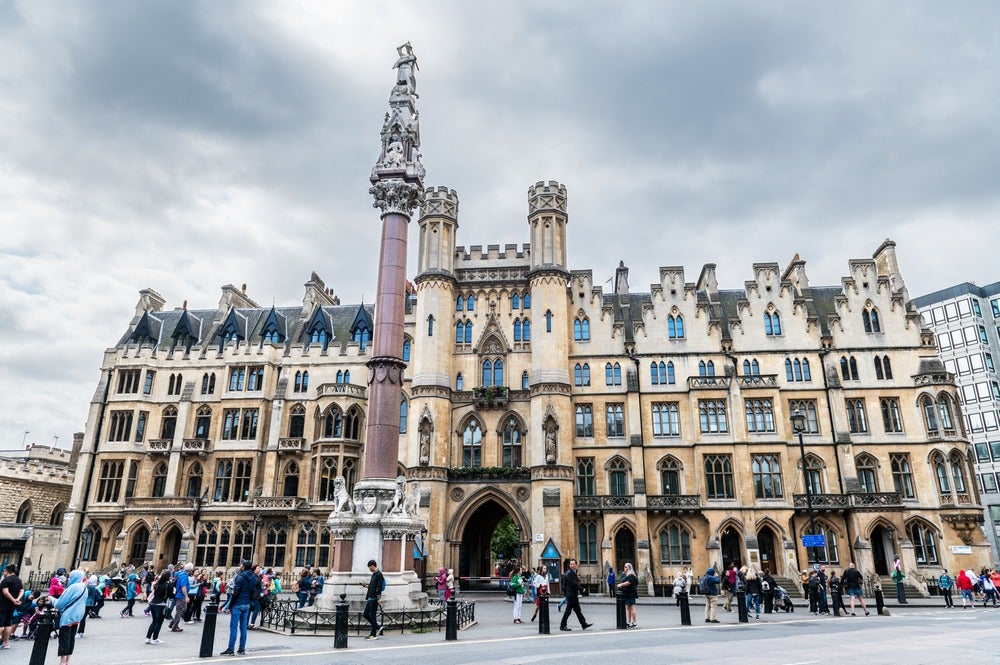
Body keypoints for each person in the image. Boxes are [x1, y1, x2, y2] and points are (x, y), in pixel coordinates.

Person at [221, 560, 261, 656]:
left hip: (238, 604)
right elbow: (253, 590)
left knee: (233, 627)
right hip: (246, 604)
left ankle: (231, 649)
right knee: (243, 627)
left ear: (243, 566)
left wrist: (230, 606)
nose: (240, 565)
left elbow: (235, 593)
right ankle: (241, 648)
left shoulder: (240, 577)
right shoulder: (254, 578)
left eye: (241, 564)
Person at [53, 570, 89, 665]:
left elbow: (59, 604)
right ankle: (68, 661)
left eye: (70, 576)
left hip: (68, 616)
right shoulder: (84, 587)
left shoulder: (72, 587)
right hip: (77, 617)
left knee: (64, 639)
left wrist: (51, 599)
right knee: (71, 638)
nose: (68, 578)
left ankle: (63, 662)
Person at [559, 559, 592, 631]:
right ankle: (562, 625)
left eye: (573, 564)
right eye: (571, 564)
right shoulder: (569, 573)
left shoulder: (573, 572)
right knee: (568, 611)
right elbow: (573, 584)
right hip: (571, 595)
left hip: (573, 595)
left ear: (576, 565)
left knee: (577, 610)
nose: (572, 565)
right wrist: (581, 588)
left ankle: (583, 624)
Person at [0, 564, 24, 649]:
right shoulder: (18, 580)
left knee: (0, 624)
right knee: (8, 623)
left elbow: (5, 592)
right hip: (11, 606)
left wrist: (13, 600)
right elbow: (22, 590)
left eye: (4, 571)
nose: (3, 573)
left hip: (2, 604)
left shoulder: (6, 581)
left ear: (7, 571)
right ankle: (6, 643)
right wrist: (17, 599)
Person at [145, 570, 171, 644]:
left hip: (152, 604)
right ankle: (155, 638)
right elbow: (170, 595)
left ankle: (148, 637)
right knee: (159, 623)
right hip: (160, 605)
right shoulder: (167, 585)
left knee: (154, 621)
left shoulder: (157, 584)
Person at [361, 559, 385, 640]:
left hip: (374, 598)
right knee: (365, 614)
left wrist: (378, 598)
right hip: (370, 597)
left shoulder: (379, 574)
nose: (369, 569)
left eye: (369, 567)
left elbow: (379, 587)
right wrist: (366, 586)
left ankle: (373, 634)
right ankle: (377, 627)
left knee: (373, 616)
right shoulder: (374, 574)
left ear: (372, 566)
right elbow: (373, 586)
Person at [169, 563, 192, 632]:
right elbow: (183, 587)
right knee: (180, 610)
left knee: (183, 609)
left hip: (179, 595)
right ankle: (174, 626)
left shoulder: (180, 573)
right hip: (181, 595)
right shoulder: (184, 576)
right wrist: (186, 596)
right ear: (190, 570)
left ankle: (172, 623)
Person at [616, 562, 639, 627]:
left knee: (632, 607)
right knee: (628, 608)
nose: (624, 568)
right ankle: (628, 622)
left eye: (626, 567)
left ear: (629, 568)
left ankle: (634, 623)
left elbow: (629, 582)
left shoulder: (631, 575)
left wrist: (621, 584)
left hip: (631, 593)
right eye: (624, 567)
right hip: (626, 593)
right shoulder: (624, 574)